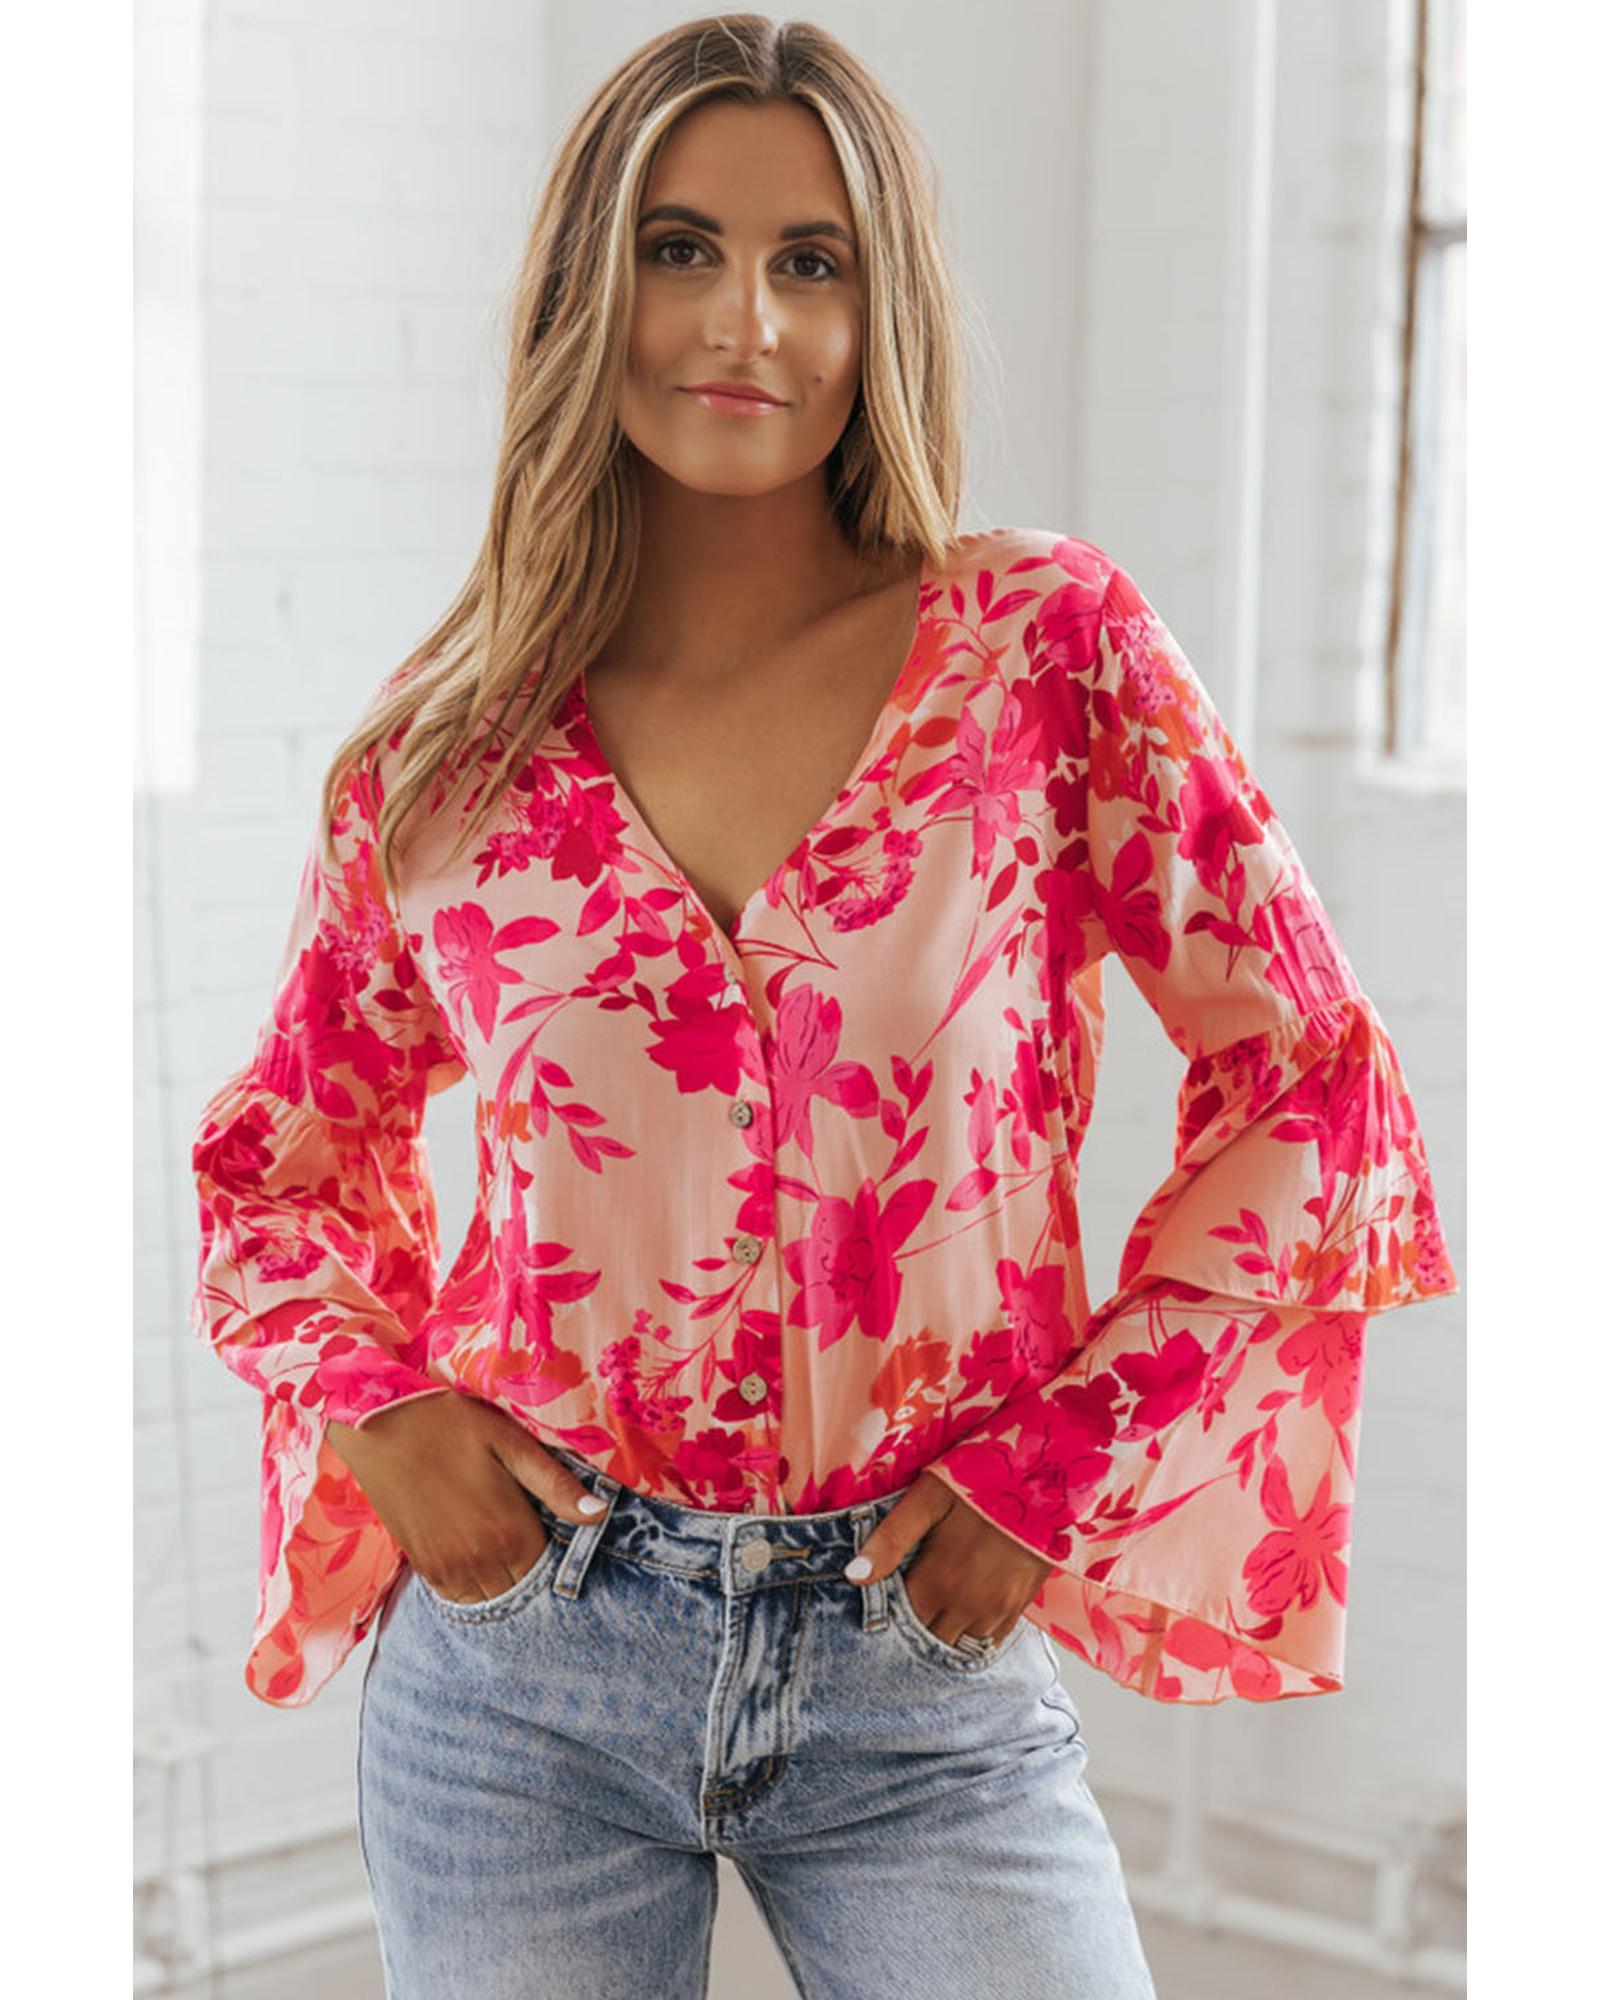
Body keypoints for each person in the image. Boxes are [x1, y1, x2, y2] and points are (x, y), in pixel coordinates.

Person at [187, 16, 1457, 1999]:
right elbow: (272, 1171)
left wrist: (1051, 1471)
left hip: (916, 1674)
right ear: (588, 287)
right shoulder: (441, 758)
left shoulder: (1042, 654)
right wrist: (387, 1414)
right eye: (680, 249)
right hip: (519, 1675)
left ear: (882, 311)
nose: (745, 324)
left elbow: (1312, 1079)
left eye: (812, 262)